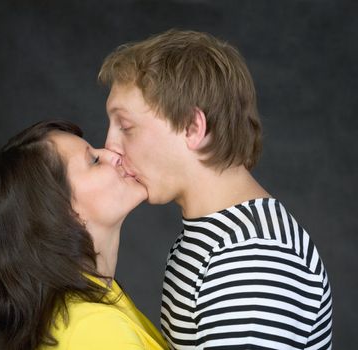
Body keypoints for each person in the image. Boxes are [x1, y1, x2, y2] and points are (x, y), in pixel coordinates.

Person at [99, 29, 333, 349]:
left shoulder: (253, 257)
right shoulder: (211, 239)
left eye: (125, 127)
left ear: (193, 127)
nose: (110, 147)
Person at [0, 120, 168, 350]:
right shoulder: (96, 331)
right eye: (93, 160)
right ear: (59, 211)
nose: (113, 154)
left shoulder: (83, 312)